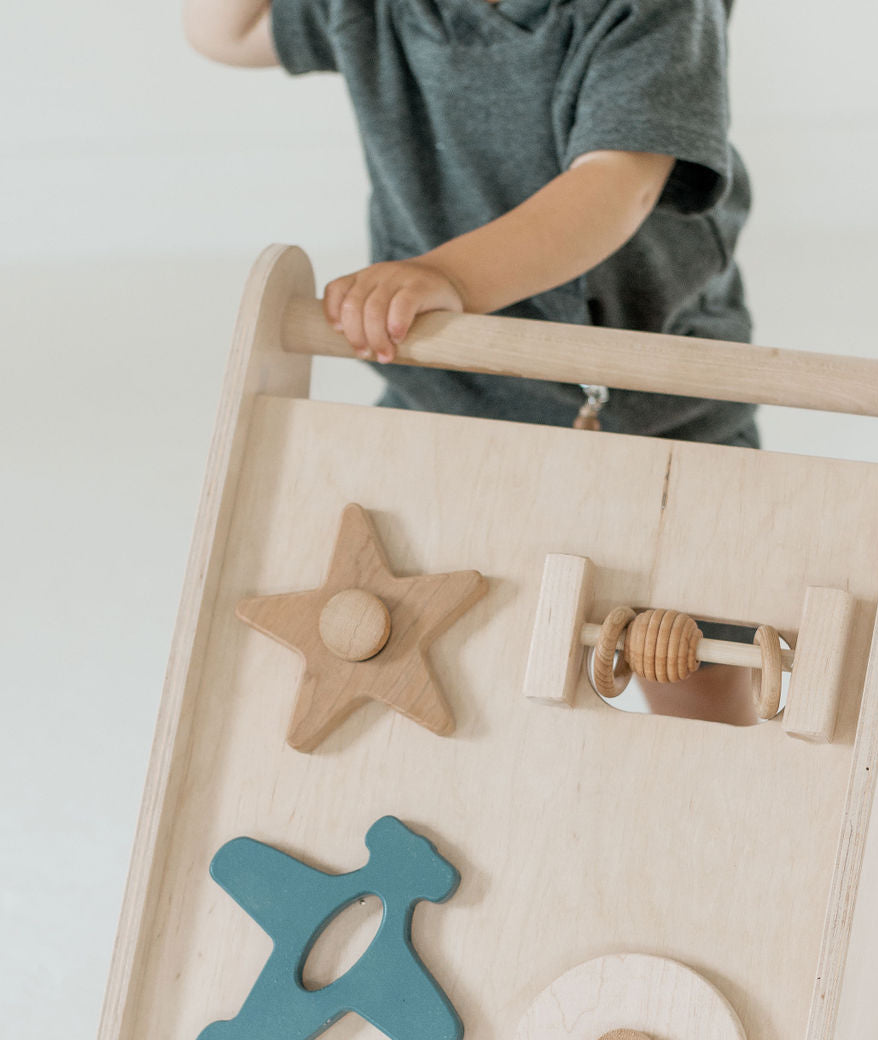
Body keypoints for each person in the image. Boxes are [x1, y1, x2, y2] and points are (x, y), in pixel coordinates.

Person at [184, 0, 761, 723]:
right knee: (413, 633)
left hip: (654, 400)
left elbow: (616, 184)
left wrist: (451, 278)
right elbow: (224, 31)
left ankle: (710, 800)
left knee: (691, 659)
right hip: (448, 390)